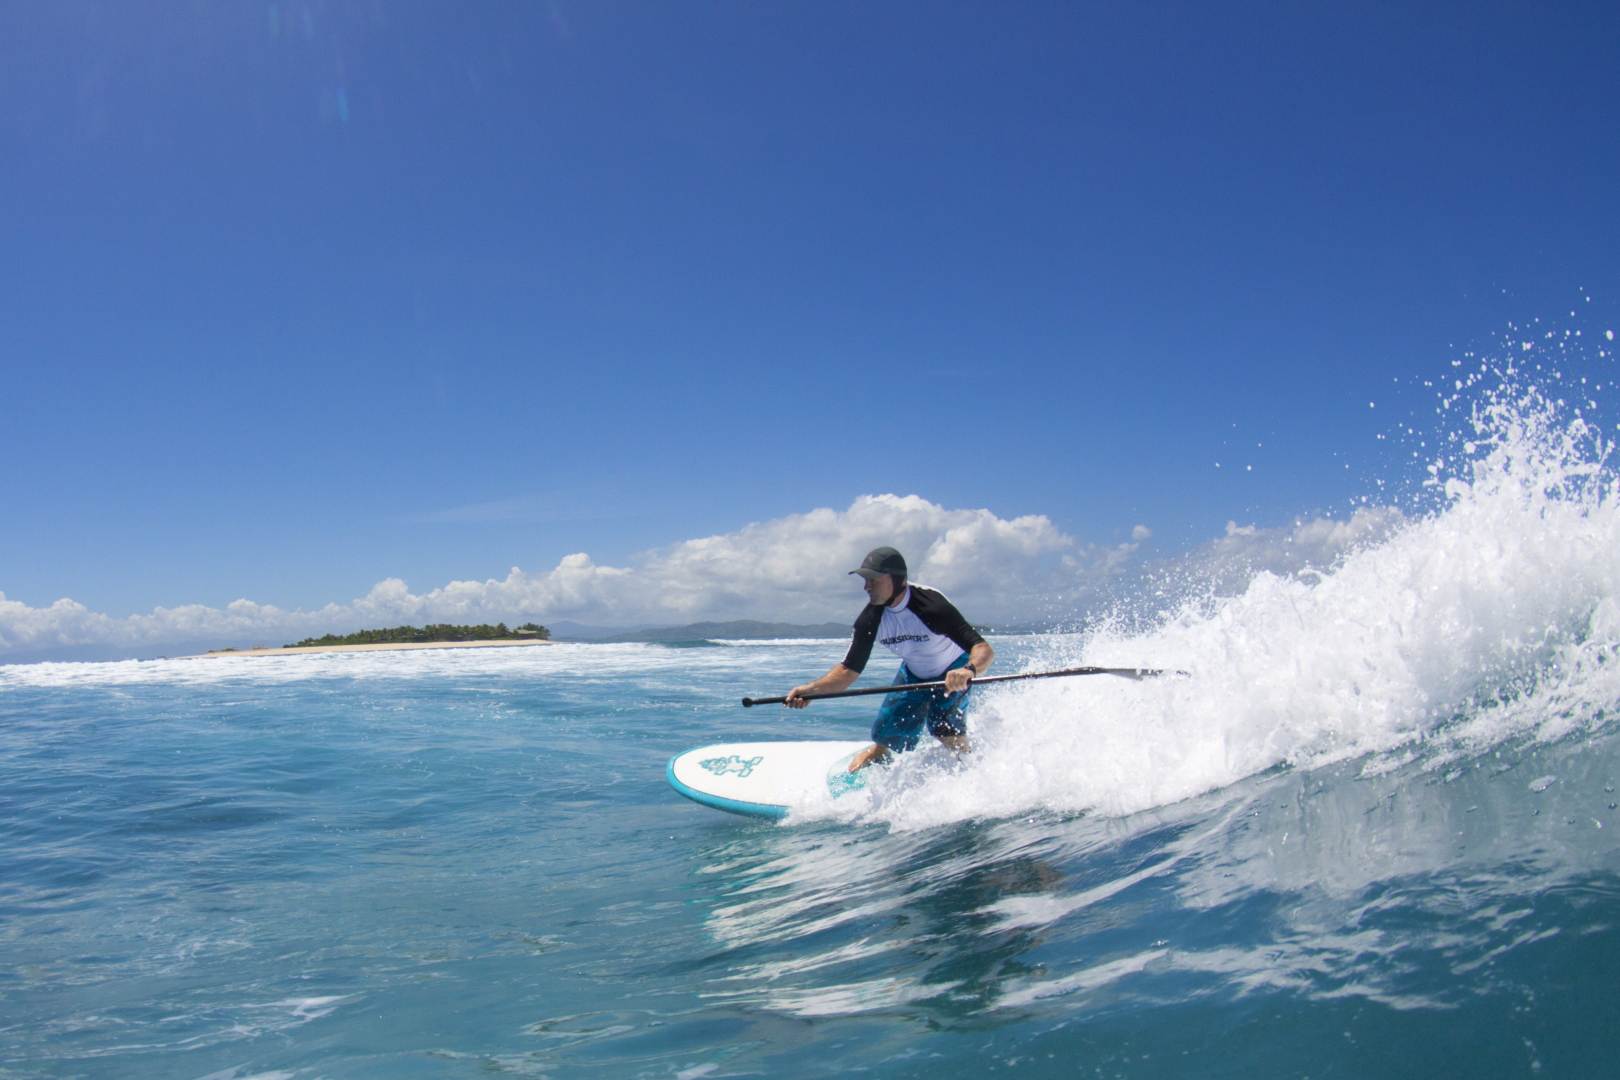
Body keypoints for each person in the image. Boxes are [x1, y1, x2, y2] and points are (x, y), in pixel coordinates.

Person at [785, 546, 994, 772]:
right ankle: (880, 753)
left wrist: (968, 670)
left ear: (897, 579)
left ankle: (975, 772)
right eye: (865, 580)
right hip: (914, 673)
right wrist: (811, 690)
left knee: (945, 731)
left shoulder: (931, 605)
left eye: (872, 579)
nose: (866, 586)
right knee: (888, 728)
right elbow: (848, 671)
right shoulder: (870, 619)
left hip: (953, 669)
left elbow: (983, 648)